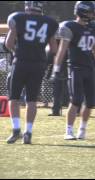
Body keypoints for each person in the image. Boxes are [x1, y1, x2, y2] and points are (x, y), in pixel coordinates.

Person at [5, 1, 58, 144]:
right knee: (32, 100)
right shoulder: (49, 22)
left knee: (14, 98)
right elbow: (53, 49)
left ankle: (16, 130)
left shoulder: (19, 18)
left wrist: (17, 52)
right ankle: (28, 132)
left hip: (21, 62)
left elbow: (8, 43)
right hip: (38, 64)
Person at [51, 1, 95, 140]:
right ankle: (68, 131)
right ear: (84, 12)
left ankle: (82, 128)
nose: (93, 14)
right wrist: (56, 69)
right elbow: (62, 50)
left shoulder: (93, 28)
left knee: (91, 102)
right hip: (75, 67)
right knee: (76, 100)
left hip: (90, 68)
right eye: (91, 12)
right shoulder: (70, 27)